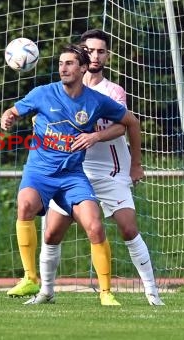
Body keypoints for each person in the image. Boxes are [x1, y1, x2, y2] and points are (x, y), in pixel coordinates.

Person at [25, 29, 164, 306]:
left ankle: (152, 292)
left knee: (127, 227)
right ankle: (46, 292)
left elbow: (125, 123)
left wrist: (134, 164)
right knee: (51, 232)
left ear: (107, 56)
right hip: (74, 172)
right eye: (90, 50)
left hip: (111, 171)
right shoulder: (60, 91)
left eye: (101, 51)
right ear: (80, 56)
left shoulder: (112, 92)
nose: (95, 55)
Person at [1, 43, 141, 306]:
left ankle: (106, 293)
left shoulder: (96, 101)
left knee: (95, 225)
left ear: (83, 68)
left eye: (69, 63)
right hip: (40, 172)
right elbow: (13, 112)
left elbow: (130, 123)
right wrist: (7, 119)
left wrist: (103, 140)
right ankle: (30, 278)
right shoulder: (43, 93)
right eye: (60, 64)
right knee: (25, 205)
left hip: (72, 176)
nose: (63, 68)